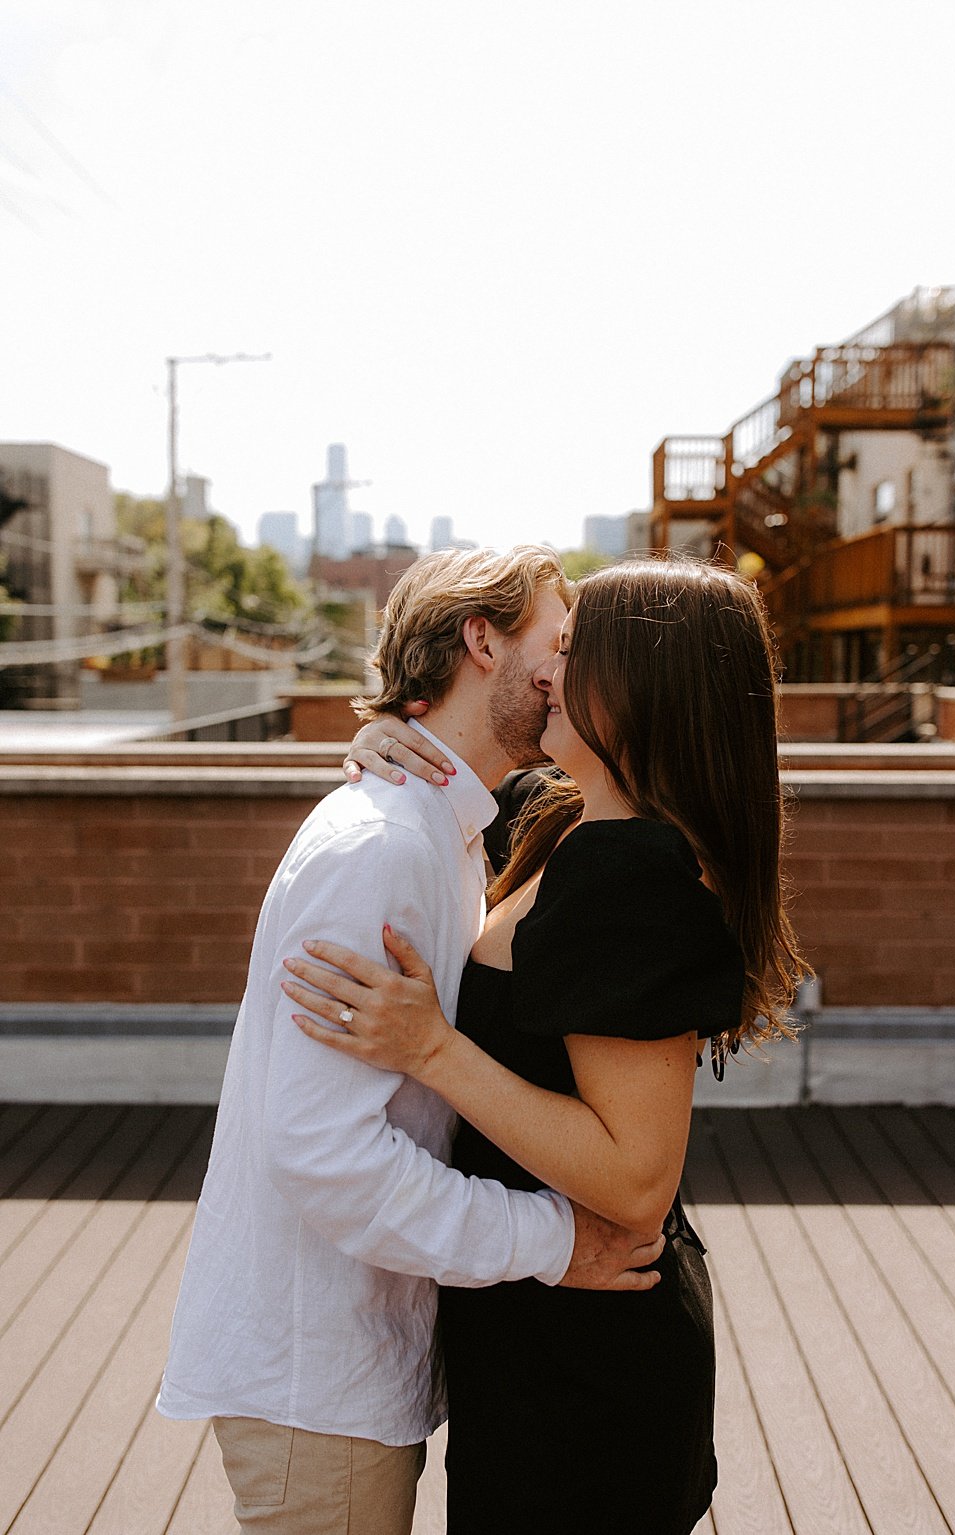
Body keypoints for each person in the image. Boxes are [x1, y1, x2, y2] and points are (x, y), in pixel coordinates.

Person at [279, 557, 809, 1535]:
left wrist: (435, 1051)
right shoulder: (564, 818)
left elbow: (638, 1175)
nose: (550, 670)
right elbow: (466, 783)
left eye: (575, 649)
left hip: (588, 1368)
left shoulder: (629, 871)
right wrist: (393, 740)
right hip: (534, 1337)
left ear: (637, 683)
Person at [157, 545, 666, 1535]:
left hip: (354, 1359)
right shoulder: (383, 845)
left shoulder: (442, 825)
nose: (574, 668)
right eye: (558, 641)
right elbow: (325, 1152)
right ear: (483, 640)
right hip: (317, 1373)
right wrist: (555, 1241)